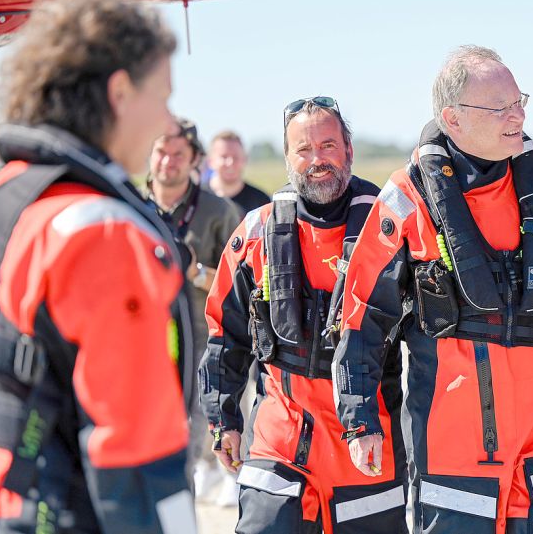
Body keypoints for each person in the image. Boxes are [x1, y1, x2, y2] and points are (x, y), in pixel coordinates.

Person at [333, 46, 533, 534]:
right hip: (454, 442)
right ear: (452, 119)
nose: (518, 116)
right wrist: (361, 420)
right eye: (499, 107)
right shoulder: (408, 199)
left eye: (519, 103)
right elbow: (362, 317)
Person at [0, 0, 196, 532]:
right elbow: (136, 454)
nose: (167, 122)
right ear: (120, 91)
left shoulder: (10, 198)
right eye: (163, 96)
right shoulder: (102, 232)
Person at [198, 96, 407, 533]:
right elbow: (225, 332)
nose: (318, 160)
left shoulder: (390, 226)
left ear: (349, 149)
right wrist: (223, 420)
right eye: (304, 150)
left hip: (369, 437)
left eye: (328, 146)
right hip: (280, 436)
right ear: (288, 156)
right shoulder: (257, 232)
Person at [145, 118, 242, 504]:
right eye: (161, 152)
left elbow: (238, 284)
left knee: (192, 428)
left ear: (195, 161)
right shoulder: (128, 203)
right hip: (143, 339)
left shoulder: (219, 212)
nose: (168, 162)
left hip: (201, 342)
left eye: (178, 155)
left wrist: (193, 271)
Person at [206, 130, 271, 214]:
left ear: (245, 159)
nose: (230, 163)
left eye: (236, 157)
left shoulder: (261, 202)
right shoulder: (196, 198)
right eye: (224, 156)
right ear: (210, 161)